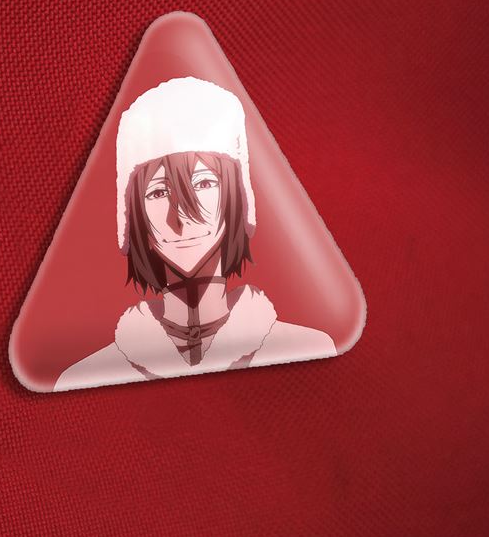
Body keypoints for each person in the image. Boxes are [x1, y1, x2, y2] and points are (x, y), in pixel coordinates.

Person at [54, 76, 335, 392]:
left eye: (203, 184)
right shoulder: (88, 374)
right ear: (133, 214)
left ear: (237, 198)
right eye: (158, 192)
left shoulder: (306, 347)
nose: (182, 217)